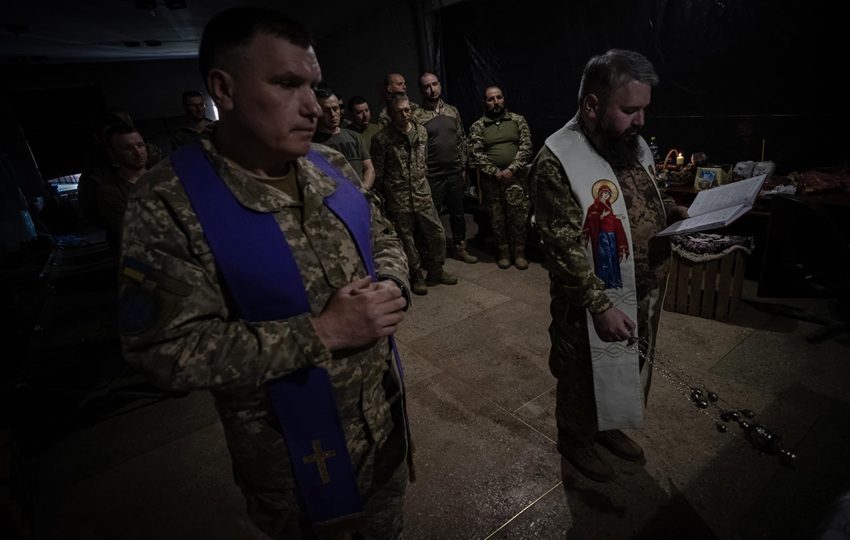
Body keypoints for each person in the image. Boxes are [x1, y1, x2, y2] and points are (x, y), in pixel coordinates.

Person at [118, 7, 412, 539]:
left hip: (385, 423)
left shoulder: (330, 165)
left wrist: (392, 284)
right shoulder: (169, 202)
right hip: (295, 463)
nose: (314, 107)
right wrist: (322, 332)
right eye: (286, 84)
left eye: (315, 86)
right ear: (222, 89)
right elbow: (162, 350)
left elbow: (384, 236)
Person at [529, 49, 688, 483]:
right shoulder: (556, 161)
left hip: (642, 287)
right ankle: (576, 439)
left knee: (626, 366)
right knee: (581, 371)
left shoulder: (629, 144)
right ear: (592, 105)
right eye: (630, 110)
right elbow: (560, 245)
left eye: (644, 110)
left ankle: (608, 426)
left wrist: (668, 211)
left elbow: (640, 193)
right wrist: (598, 305)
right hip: (589, 299)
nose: (641, 122)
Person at [372, 93, 458, 296]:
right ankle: (416, 274)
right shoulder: (382, 139)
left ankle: (436, 270)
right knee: (407, 240)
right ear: (391, 114)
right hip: (398, 198)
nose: (405, 114)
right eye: (399, 111)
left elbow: (424, 162)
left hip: (422, 193)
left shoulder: (421, 131)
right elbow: (379, 173)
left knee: (437, 234)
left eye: (407, 109)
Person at [412, 72, 477, 264]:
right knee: (432, 216)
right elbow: (416, 148)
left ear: (440, 85)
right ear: (421, 90)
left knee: (458, 212)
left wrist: (463, 166)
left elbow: (461, 139)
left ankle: (460, 247)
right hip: (432, 175)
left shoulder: (452, 111)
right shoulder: (417, 116)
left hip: (454, 172)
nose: (432, 89)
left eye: (435, 84)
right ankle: (433, 253)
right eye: (427, 86)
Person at [468, 85, 533, 269]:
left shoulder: (518, 120)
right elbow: (475, 153)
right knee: (497, 219)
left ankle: (519, 253)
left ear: (504, 99)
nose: (496, 102)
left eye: (499, 97)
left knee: (518, 218)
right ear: (485, 102)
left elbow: (526, 147)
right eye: (491, 99)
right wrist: (495, 172)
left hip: (516, 179)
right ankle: (504, 252)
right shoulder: (478, 126)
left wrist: (511, 169)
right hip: (492, 181)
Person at [96, 124, 148, 249]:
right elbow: (130, 231)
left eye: (140, 145)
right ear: (113, 153)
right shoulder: (110, 191)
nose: (137, 152)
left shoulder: (164, 177)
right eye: (128, 148)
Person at [313, 88, 375, 188]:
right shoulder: (312, 144)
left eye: (335, 109)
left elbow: (369, 168)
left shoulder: (354, 137)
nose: (333, 114)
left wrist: (363, 191)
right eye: (326, 110)